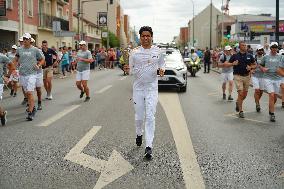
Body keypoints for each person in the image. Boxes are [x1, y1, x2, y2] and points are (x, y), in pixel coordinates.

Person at [129, 26, 165, 160]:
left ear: (151, 37)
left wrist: (162, 70)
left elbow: (162, 64)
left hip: (151, 88)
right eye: (143, 36)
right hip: (138, 88)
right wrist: (128, 69)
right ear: (140, 37)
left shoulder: (158, 51)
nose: (145, 38)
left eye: (147, 36)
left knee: (150, 115)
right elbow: (130, 70)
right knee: (139, 116)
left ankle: (149, 146)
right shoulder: (134, 52)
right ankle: (139, 133)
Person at [13, 33, 45, 121]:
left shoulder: (35, 50)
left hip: (32, 74)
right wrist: (13, 70)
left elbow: (42, 59)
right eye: (24, 39)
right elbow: (15, 60)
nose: (25, 40)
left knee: (30, 93)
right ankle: (33, 107)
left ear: (30, 40)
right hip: (22, 74)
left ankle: (31, 112)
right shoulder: (19, 49)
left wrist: (38, 65)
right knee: (27, 93)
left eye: (26, 39)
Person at [229, 41, 256, 118]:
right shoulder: (235, 56)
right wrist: (232, 64)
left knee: (244, 95)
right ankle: (241, 111)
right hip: (238, 76)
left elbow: (255, 64)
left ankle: (238, 102)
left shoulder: (250, 55)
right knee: (240, 93)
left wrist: (251, 67)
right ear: (239, 47)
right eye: (243, 45)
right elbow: (228, 63)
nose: (245, 46)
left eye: (245, 45)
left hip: (247, 76)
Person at [260, 42, 284, 122]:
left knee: (275, 97)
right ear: (270, 48)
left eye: (275, 47)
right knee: (271, 95)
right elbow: (260, 65)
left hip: (277, 78)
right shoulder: (266, 57)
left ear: (277, 48)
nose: (274, 49)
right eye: (273, 47)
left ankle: (270, 109)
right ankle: (272, 114)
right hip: (268, 78)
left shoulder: (281, 57)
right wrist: (262, 69)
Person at [252, 46, 265, 112]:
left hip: (262, 77)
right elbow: (249, 65)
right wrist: (251, 70)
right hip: (255, 76)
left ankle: (257, 100)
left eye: (261, 50)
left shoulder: (265, 57)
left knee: (261, 92)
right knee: (257, 90)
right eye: (259, 50)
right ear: (257, 51)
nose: (260, 51)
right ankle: (257, 104)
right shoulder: (253, 57)